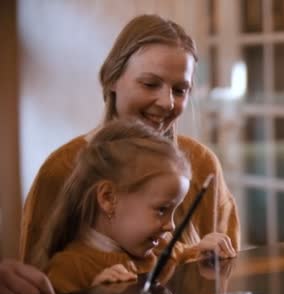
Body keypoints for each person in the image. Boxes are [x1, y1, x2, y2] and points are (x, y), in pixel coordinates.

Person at [19, 14, 240, 264]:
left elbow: (227, 274)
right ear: (111, 78)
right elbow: (36, 286)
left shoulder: (202, 164)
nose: (167, 102)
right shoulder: (61, 170)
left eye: (180, 90)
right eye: (149, 84)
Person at [34, 120, 234, 294]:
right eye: (162, 210)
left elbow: (183, 254)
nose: (171, 227)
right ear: (108, 198)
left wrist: (203, 251)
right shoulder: (67, 271)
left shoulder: (159, 248)